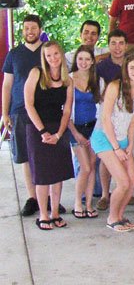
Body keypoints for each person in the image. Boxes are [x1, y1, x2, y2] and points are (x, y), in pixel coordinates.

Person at [90, 53, 134, 232]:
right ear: (125, 69)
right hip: (104, 138)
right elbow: (105, 119)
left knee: (133, 181)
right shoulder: (114, 86)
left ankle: (120, 215)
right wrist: (116, 147)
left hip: (123, 139)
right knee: (123, 182)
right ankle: (112, 218)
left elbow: (132, 121)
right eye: (132, 68)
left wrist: (130, 145)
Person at [24, 41, 74, 230]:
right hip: (38, 129)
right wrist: (43, 132)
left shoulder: (68, 80)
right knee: (43, 174)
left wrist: (59, 133)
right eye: (48, 55)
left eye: (55, 54)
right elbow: (29, 104)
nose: (53, 58)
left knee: (57, 173)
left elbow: (67, 110)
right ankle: (43, 215)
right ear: (44, 59)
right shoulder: (36, 73)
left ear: (61, 54)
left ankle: (54, 213)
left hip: (58, 129)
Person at [2, 14, 44, 217]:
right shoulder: (14, 54)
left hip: (45, 111)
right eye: (26, 28)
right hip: (19, 110)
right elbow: (7, 85)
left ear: (40, 30)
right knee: (26, 156)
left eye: (33, 28)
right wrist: (5, 112)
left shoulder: (48, 52)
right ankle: (32, 197)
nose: (30, 32)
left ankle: (48, 197)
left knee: (45, 156)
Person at [68, 45, 103, 219]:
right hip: (76, 129)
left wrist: (97, 130)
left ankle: (89, 204)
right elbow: (65, 111)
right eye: (80, 59)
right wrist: (75, 133)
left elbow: (102, 108)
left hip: (94, 128)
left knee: (91, 167)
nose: (83, 62)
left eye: (87, 59)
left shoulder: (97, 80)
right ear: (76, 60)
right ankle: (77, 203)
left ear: (92, 61)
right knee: (86, 167)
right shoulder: (69, 79)